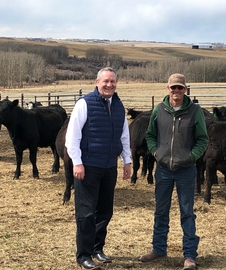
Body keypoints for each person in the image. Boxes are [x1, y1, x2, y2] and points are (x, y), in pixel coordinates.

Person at [139, 73, 209, 270]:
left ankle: (189, 255)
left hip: (186, 170)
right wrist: (155, 153)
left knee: (187, 212)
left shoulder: (195, 111)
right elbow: (150, 135)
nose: (176, 91)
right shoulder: (158, 110)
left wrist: (191, 157)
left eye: (180, 88)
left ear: (185, 89)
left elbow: (203, 139)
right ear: (167, 89)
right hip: (163, 169)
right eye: (173, 88)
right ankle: (159, 248)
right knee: (161, 210)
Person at [66, 67, 132, 270]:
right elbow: (72, 137)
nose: (109, 85)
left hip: (109, 166)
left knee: (104, 211)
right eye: (105, 81)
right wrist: (77, 162)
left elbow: (124, 136)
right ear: (97, 82)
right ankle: (83, 255)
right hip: (88, 166)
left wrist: (126, 160)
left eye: (112, 81)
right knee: (86, 213)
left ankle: (97, 248)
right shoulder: (85, 103)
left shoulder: (119, 106)